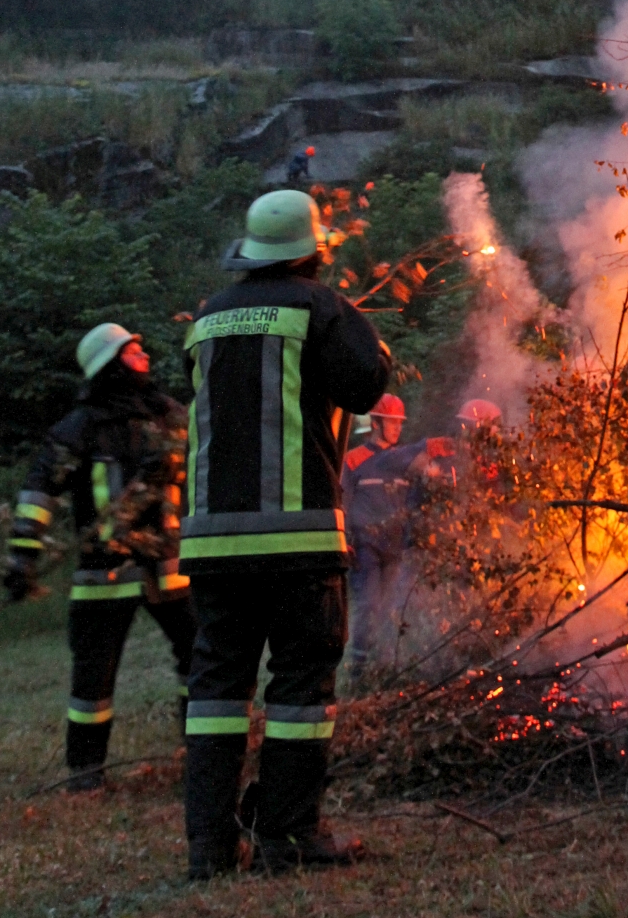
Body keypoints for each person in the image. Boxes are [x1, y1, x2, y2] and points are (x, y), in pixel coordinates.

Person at [181, 188, 389, 880]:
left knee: (215, 692)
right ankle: (290, 836)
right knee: (300, 688)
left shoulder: (205, 321)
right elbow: (368, 386)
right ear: (314, 249)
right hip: (297, 543)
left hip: (212, 546)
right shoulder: (320, 309)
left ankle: (210, 848)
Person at [2, 323, 195, 792]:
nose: (143, 354)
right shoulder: (79, 428)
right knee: (93, 675)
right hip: (103, 570)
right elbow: (39, 491)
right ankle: (86, 774)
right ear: (110, 363)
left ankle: (199, 753)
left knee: (200, 658)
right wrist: (22, 556)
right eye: (133, 350)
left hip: (169, 567)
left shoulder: (168, 416)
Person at [341, 396, 455, 678]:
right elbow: (343, 501)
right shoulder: (355, 460)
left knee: (390, 610)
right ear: (376, 423)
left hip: (394, 548)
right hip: (365, 546)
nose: (396, 429)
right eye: (391, 422)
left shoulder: (404, 460)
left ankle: (381, 668)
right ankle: (357, 671)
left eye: (399, 423)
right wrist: (345, 540)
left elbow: (416, 499)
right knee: (368, 604)